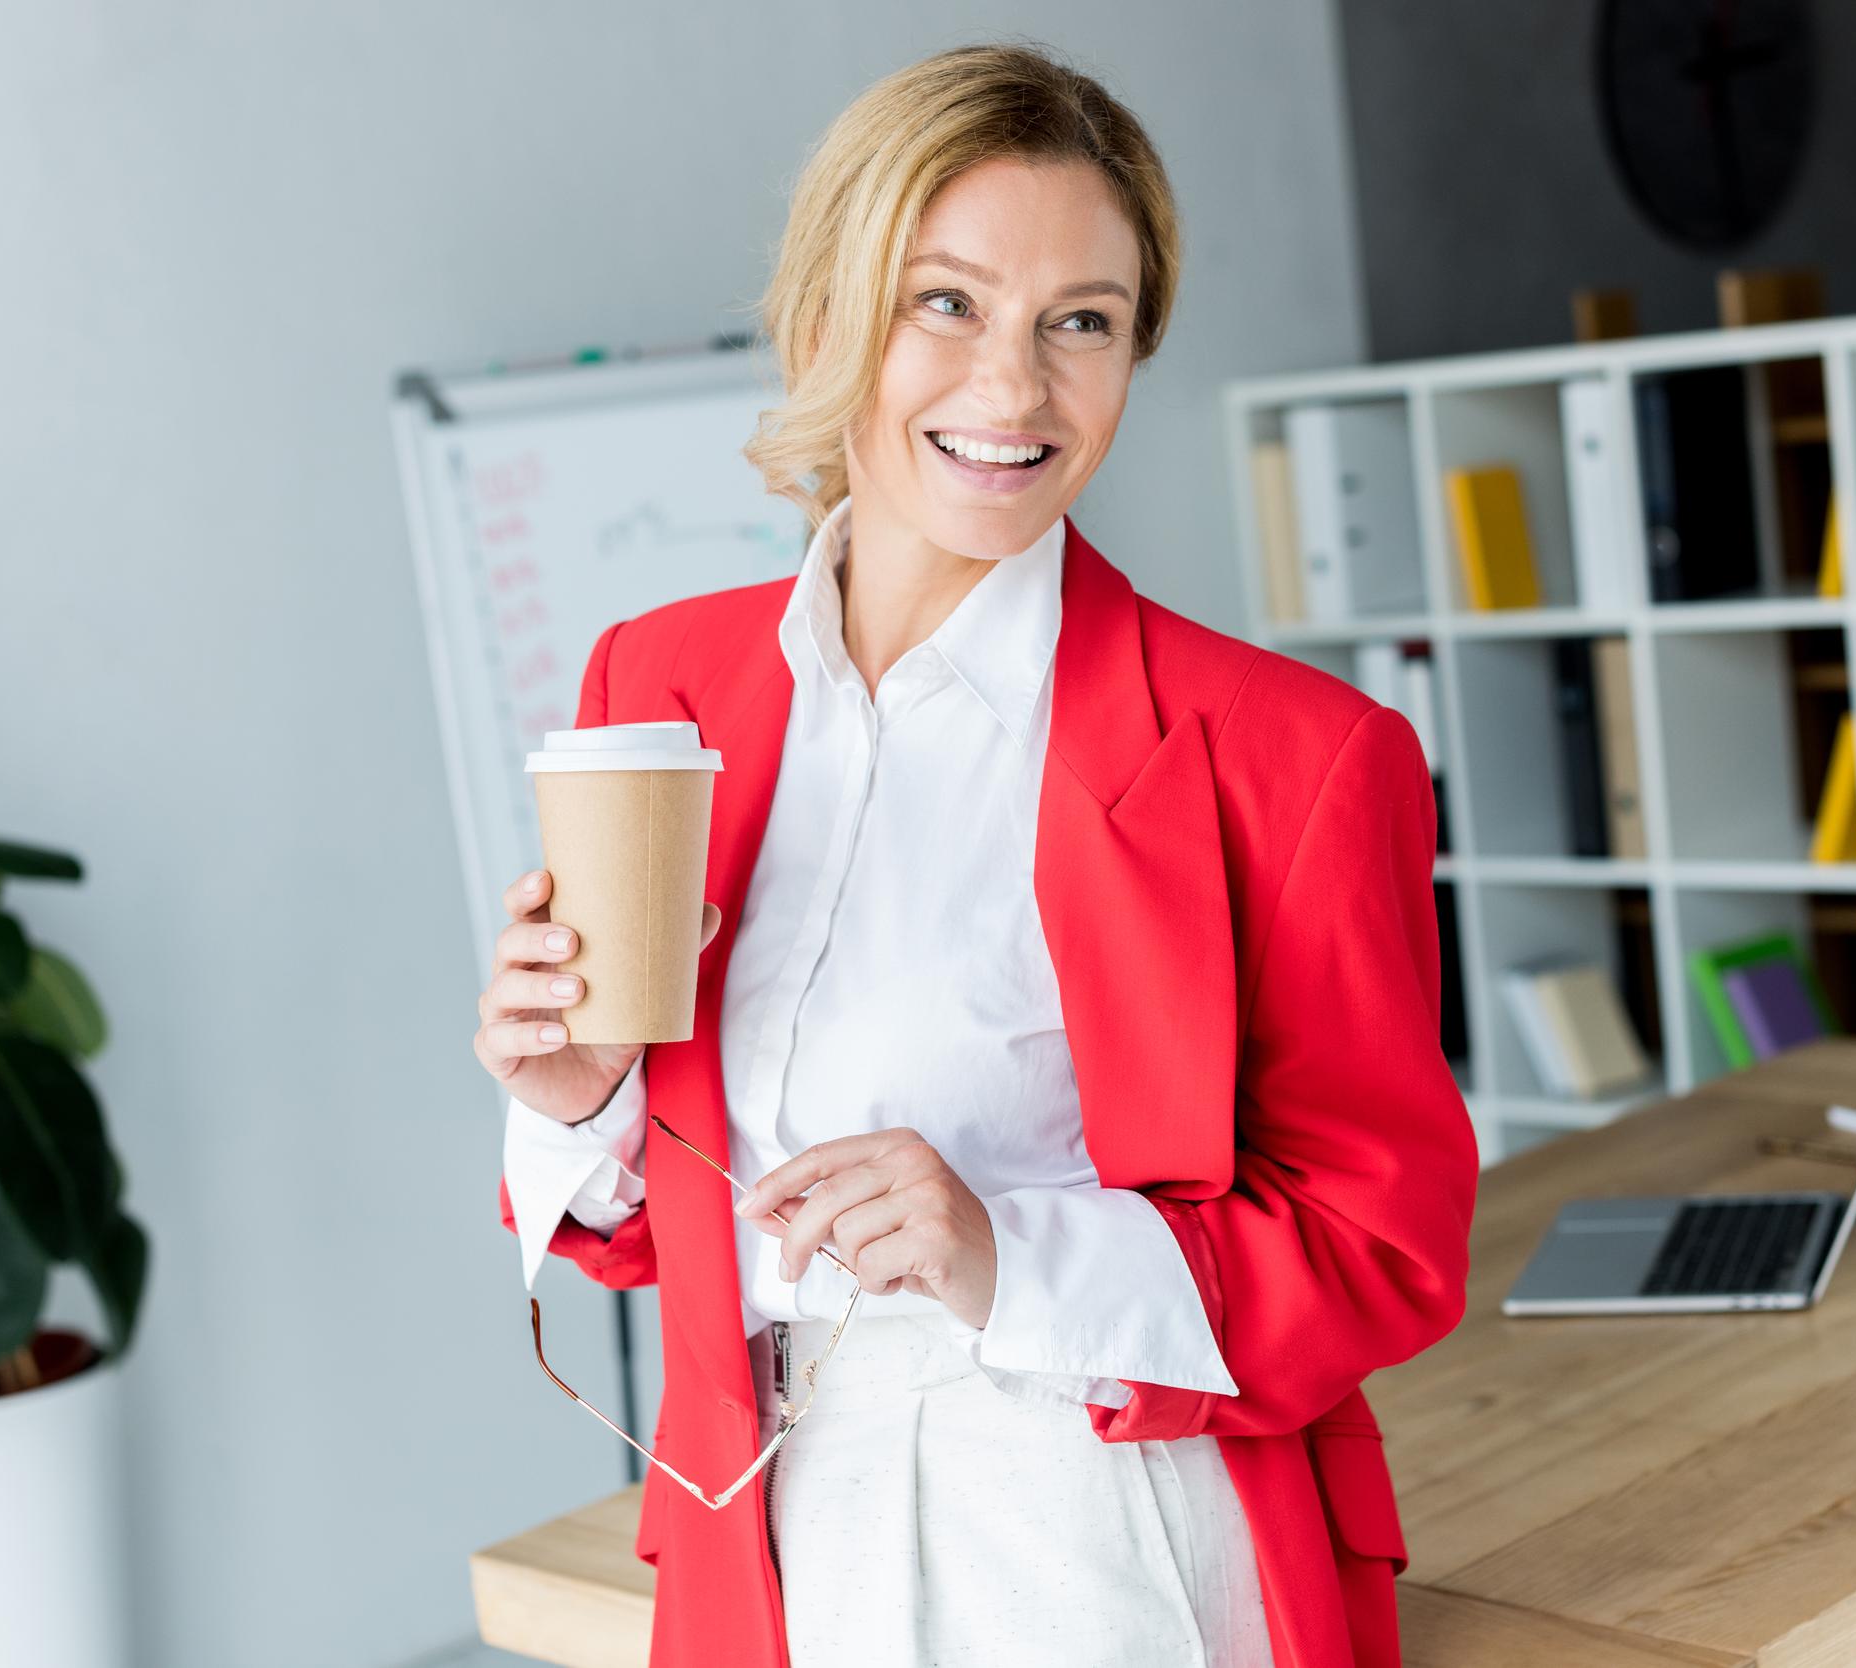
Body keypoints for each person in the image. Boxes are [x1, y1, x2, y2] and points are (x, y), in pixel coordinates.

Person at [474, 39, 1476, 1668]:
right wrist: (577, 1096)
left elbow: (1383, 1250)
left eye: (1078, 323)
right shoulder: (657, 685)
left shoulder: (1292, 757)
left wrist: (1001, 1252)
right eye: (946, 304)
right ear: (825, 317)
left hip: (1091, 1528)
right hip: (767, 1533)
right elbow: (671, 1223)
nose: (1014, 392)